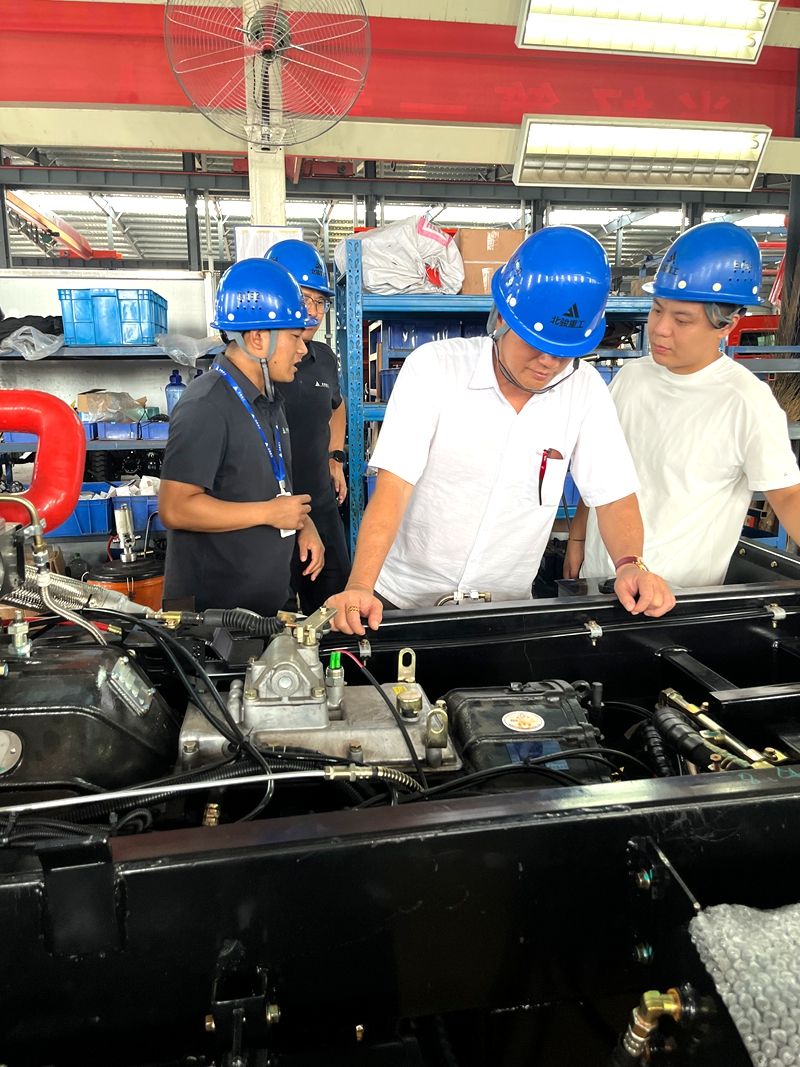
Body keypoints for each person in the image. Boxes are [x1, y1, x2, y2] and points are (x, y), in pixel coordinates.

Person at [326, 226, 676, 635]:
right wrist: (360, 585)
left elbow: (614, 495)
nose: (547, 362)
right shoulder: (435, 369)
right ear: (501, 316)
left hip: (505, 612)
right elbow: (394, 487)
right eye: (535, 343)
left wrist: (630, 565)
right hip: (404, 602)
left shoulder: (585, 391)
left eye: (563, 352)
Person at [569, 222, 800, 589]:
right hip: (603, 582)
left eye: (681, 320)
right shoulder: (631, 379)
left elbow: (787, 494)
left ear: (728, 324)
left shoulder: (745, 402)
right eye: (657, 310)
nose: (660, 329)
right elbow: (600, 475)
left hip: (678, 600)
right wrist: (578, 539)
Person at [159, 257, 325, 615]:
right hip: (214, 621)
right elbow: (175, 507)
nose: (303, 349)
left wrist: (302, 521)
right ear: (257, 338)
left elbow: (263, 484)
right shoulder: (206, 405)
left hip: (265, 607)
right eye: (295, 336)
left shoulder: (270, 400)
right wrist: (268, 513)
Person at [265, 239, 351, 613]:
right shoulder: (260, 363)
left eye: (320, 302)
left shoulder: (324, 358)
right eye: (304, 299)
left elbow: (338, 406)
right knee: (274, 625)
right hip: (268, 517)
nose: (313, 311)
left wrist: (335, 457)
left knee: (335, 614)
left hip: (320, 506)